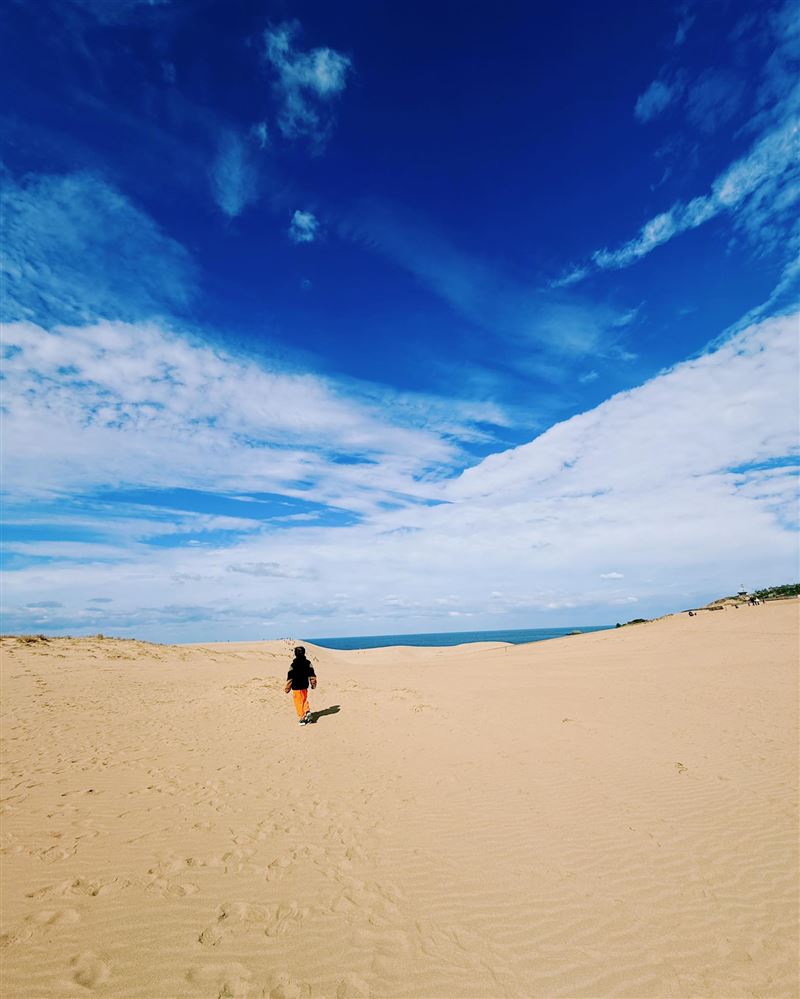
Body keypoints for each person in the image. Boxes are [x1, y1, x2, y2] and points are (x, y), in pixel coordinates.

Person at [284, 646, 317, 725]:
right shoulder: (308, 663)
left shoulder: (293, 665)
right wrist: (313, 684)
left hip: (296, 687)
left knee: (298, 702)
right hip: (304, 685)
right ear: (304, 653)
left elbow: (290, 677)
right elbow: (312, 675)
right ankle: (307, 711)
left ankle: (302, 718)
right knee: (304, 699)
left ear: (295, 654)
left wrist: (287, 688)